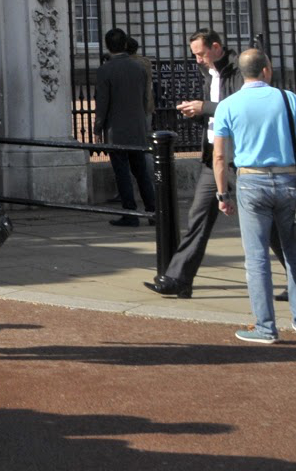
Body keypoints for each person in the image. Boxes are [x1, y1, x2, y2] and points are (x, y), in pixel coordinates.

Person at [211, 47, 296, 343]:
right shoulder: (286, 98)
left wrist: (222, 194)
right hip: (287, 179)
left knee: (256, 258)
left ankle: (266, 326)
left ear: (243, 73)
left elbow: (219, 156)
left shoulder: (228, 105)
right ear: (266, 70)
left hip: (250, 181)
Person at [146, 29, 256, 298]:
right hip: (213, 158)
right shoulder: (210, 74)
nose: (197, 60)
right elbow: (216, 117)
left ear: (216, 47)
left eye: (200, 53)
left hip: (239, 158)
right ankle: (178, 278)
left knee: (264, 223)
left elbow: (243, 109)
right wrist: (196, 113)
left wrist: (204, 107)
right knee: (198, 218)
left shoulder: (238, 73)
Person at [93, 28, 157, 227]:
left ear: (107, 46)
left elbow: (102, 103)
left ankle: (130, 213)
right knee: (141, 173)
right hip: (137, 126)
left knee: (122, 173)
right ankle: (153, 211)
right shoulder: (138, 67)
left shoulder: (105, 70)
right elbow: (145, 98)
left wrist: (97, 128)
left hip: (116, 129)